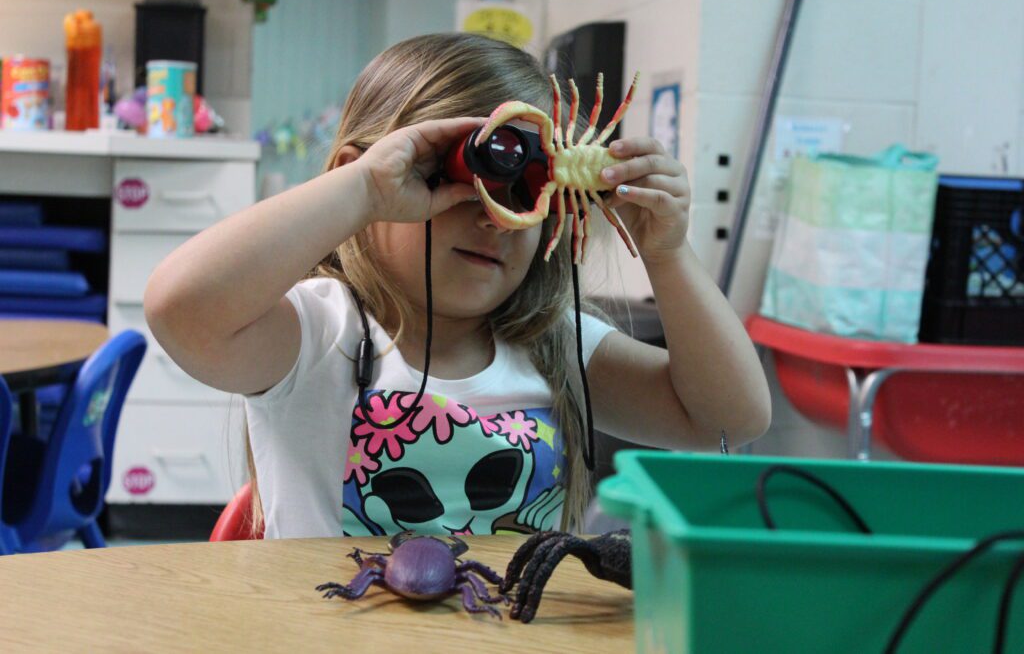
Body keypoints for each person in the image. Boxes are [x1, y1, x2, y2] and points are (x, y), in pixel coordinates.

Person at [143, 33, 770, 540]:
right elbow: (180, 309)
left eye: (528, 189)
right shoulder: (314, 336)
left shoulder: (558, 347)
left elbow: (728, 419)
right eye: (460, 180)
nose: (495, 218)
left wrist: (668, 253)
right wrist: (363, 190)